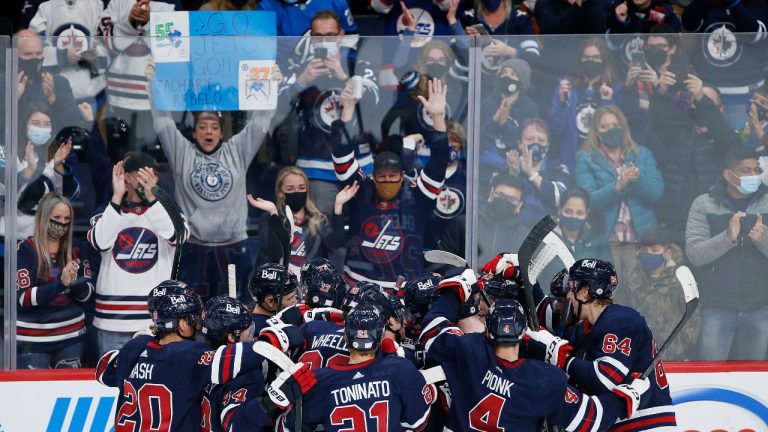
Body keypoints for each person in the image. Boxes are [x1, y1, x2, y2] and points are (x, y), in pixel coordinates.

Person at [418, 270, 651, 431]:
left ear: (487, 331)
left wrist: (455, 291)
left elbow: (431, 328)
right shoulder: (545, 379)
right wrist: (626, 399)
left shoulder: (468, 351)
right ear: (524, 335)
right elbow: (591, 419)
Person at [148, 62, 280, 302]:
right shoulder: (182, 152)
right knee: (190, 308)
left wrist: (272, 87)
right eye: (203, 126)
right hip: (193, 250)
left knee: (232, 305)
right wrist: (152, 84)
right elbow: (162, 120)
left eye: (214, 127)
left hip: (232, 249)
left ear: (221, 131)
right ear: (195, 131)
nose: (208, 132)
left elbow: (260, 123)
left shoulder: (237, 150)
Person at [96, 291, 315, 431]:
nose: (198, 326)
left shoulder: (135, 347)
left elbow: (103, 371)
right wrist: (272, 340)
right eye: (193, 320)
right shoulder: (192, 356)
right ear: (182, 325)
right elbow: (232, 360)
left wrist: (151, 332)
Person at [526, 258, 677, 430]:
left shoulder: (622, 320)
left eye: (570, 289)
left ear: (584, 291)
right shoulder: (588, 327)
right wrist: (525, 281)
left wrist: (563, 360)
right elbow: (552, 319)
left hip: (647, 423)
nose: (568, 296)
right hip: (623, 423)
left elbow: (604, 379)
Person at [330, 78, 449, 286]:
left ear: (402, 176)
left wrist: (438, 118)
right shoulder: (362, 190)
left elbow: (439, 164)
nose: (387, 181)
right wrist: (347, 109)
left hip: (402, 291)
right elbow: (342, 158)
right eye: (382, 176)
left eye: (392, 176)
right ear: (373, 177)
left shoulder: (418, 197)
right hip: (358, 286)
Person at [277, 11, 378, 216]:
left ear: (341, 35)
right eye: (318, 36)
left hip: (358, 165)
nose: (324, 41)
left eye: (330, 35)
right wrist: (302, 81)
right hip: (316, 169)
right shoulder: (298, 68)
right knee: (321, 232)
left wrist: (342, 76)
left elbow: (373, 103)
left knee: (364, 230)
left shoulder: (358, 63)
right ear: (310, 38)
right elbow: (276, 110)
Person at [87, 152, 187, 354]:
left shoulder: (171, 213)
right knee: (111, 384)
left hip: (157, 321)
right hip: (112, 321)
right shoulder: (105, 214)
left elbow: (178, 237)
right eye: (141, 173)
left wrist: (151, 197)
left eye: (152, 174)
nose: (149, 179)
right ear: (126, 177)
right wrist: (116, 197)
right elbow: (99, 241)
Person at [276, 304, 433, 432]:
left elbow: (288, 428)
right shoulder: (400, 368)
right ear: (380, 337)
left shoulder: (317, 381)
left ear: (346, 336)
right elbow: (418, 423)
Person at [685, 147, 768, 360]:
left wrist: (763, 241)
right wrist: (727, 239)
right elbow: (694, 254)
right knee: (711, 372)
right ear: (728, 174)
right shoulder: (704, 203)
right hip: (717, 305)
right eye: (745, 170)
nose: (753, 176)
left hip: (760, 304)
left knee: (753, 378)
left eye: (756, 170)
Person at [574, 105, 663, 279]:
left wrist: (638, 180)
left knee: (636, 296)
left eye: (615, 125)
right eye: (604, 126)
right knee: (608, 294)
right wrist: (617, 186)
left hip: (640, 240)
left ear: (624, 126)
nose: (611, 130)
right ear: (596, 132)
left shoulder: (642, 154)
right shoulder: (586, 158)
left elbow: (657, 193)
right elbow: (588, 200)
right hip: (605, 240)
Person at [16, 192, 93, 369]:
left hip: (71, 337)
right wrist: (61, 282)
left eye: (67, 218)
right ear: (44, 217)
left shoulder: (77, 248)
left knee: (69, 392)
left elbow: (87, 294)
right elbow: (25, 298)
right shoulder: (24, 251)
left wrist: (73, 283)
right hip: (32, 340)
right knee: (35, 394)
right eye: (57, 217)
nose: (62, 223)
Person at [99, 0, 180, 151]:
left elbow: (172, 51)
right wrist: (130, 23)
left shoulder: (168, 7)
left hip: (151, 98)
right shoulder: (116, 4)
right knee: (118, 161)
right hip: (118, 97)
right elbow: (107, 45)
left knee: (146, 161)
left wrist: (150, 23)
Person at [681, 0, 768, 128]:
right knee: (707, 137)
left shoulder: (757, 6)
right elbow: (689, 23)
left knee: (742, 140)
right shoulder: (706, 6)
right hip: (708, 93)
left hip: (747, 96)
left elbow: (755, 35)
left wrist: (733, 4)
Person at [619, 227, 700, 360]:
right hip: (636, 353)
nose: (648, 254)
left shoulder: (680, 278)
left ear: (667, 252)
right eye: (644, 250)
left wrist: (681, 345)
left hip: (673, 356)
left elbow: (693, 316)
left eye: (655, 250)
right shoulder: (631, 276)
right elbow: (619, 309)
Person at [249, 166, 343, 272]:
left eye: (301, 188)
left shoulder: (318, 220)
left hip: (311, 285)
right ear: (280, 193)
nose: (297, 192)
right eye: (290, 189)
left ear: (307, 190)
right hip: (279, 285)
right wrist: (274, 215)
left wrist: (338, 206)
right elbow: (275, 251)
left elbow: (334, 244)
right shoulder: (268, 219)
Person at [549, 37, 623, 169]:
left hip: (602, 163)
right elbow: (555, 130)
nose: (590, 61)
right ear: (580, 59)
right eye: (586, 57)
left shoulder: (616, 89)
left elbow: (616, 134)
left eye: (595, 57)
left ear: (604, 60)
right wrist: (562, 103)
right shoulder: (567, 87)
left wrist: (608, 101)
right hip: (570, 161)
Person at [14, 104, 80, 238]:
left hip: (45, 239)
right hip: (13, 237)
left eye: (46, 125)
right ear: (25, 125)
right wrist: (30, 170)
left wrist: (58, 164)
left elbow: (69, 195)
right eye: (36, 123)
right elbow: (16, 197)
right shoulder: (11, 153)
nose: (41, 129)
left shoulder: (56, 154)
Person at [29, 0, 108, 105]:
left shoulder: (97, 5)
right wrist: (62, 55)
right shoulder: (45, 8)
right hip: (55, 92)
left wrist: (95, 53)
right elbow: (32, 46)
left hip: (91, 92)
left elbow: (109, 44)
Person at [439, 174, 529, 265]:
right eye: (500, 195)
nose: (505, 201)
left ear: (519, 205)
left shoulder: (524, 237)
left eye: (512, 200)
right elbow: (443, 260)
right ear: (491, 194)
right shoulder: (464, 223)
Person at [479, 59, 539, 186]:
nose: (507, 77)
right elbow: (480, 142)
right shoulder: (487, 103)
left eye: (513, 74)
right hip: (486, 169)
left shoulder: (530, 107)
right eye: (504, 73)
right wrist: (496, 119)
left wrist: (504, 123)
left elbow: (523, 144)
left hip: (516, 169)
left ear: (521, 82)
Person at [506, 118, 571, 227]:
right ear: (519, 143)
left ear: (548, 144)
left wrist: (531, 173)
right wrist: (513, 175)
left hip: (546, 233)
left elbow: (561, 199)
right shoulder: (508, 166)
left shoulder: (559, 169)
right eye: (530, 139)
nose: (535, 143)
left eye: (541, 140)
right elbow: (501, 205)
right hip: (513, 232)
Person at [15, 29, 80, 129]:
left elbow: (72, 124)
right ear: (15, 56)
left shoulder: (58, 83)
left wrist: (53, 99)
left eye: (38, 53)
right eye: (28, 54)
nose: (35, 58)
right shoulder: (3, 82)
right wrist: (13, 99)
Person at [258, 0, 358, 36]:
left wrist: (343, 68)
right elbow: (261, 49)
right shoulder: (266, 7)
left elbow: (351, 38)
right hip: (289, 75)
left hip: (333, 70)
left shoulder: (336, 2)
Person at [248, 263, 299, 333]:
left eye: (295, 296)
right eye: (290, 298)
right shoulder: (266, 331)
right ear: (270, 302)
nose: (295, 302)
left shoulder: (249, 318)